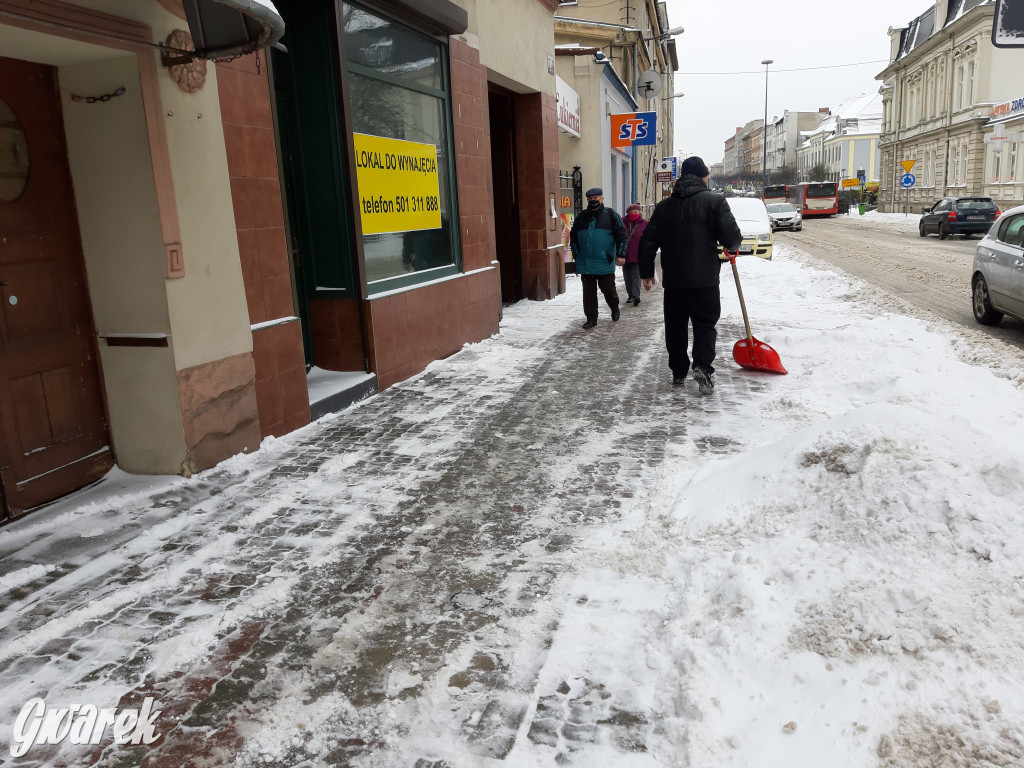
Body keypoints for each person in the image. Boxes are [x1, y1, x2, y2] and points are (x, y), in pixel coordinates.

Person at [638, 156, 742, 394]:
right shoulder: (715, 202)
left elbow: (647, 242)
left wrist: (646, 273)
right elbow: (732, 238)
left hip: (674, 281)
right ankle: (703, 368)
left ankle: (678, 370)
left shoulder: (664, 207)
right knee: (705, 324)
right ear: (703, 177)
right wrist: (731, 247)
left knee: (675, 326)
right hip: (705, 280)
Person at [570, 187, 627, 329]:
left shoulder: (611, 215)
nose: (592, 201)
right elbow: (573, 237)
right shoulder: (581, 217)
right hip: (586, 262)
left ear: (602, 199)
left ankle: (614, 307)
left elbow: (622, 236)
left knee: (608, 289)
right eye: (590, 199)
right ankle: (591, 318)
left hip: (604, 261)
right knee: (588, 293)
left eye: (595, 198)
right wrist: (577, 255)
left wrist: (621, 255)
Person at [622, 203, 647, 306]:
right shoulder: (622, 223)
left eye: (635, 212)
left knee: (636, 275)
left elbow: (648, 238)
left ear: (639, 212)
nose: (634, 214)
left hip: (637, 254)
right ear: (628, 213)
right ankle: (630, 295)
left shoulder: (644, 224)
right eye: (631, 212)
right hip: (624, 254)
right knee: (627, 276)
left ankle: (636, 296)